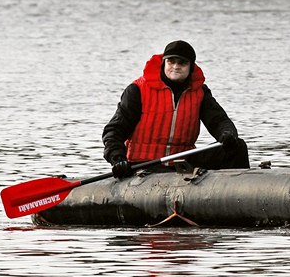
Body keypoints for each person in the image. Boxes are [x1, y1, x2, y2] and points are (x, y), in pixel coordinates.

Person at [103, 40, 249, 178]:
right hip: (144, 163)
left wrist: (228, 134)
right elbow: (114, 131)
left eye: (182, 63)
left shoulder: (200, 93)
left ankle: (240, 193)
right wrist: (118, 159)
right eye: (171, 61)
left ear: (191, 67)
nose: (176, 66)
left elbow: (219, 121)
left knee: (237, 146)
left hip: (183, 161)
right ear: (163, 63)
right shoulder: (137, 90)